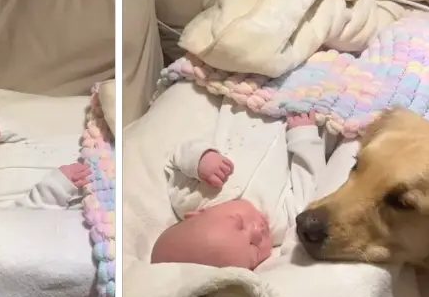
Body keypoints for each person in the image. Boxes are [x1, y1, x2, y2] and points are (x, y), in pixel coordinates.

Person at [151, 104, 357, 270]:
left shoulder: (189, 197)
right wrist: (304, 136)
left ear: (197, 214)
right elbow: (310, 181)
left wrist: (200, 159)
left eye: (238, 223)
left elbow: (175, 160)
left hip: (252, 106)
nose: (257, 232)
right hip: (304, 120)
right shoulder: (280, 224)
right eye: (255, 250)